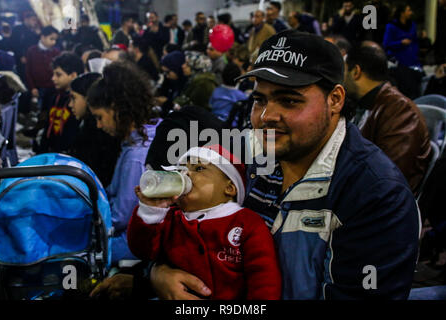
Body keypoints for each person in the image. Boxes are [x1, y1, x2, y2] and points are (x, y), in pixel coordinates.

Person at [88, 30, 420, 300]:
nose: (266, 116)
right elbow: (186, 229)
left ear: (335, 100)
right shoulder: (247, 150)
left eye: (289, 100)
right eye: (259, 99)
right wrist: (156, 274)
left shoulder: (375, 195)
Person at [126, 145, 282, 300]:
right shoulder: (170, 219)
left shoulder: (247, 224)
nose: (185, 174)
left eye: (199, 168)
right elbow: (142, 250)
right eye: (181, 169)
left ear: (229, 188)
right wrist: (150, 212)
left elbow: (264, 280)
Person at [86, 61, 162, 264]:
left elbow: (120, 217)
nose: (99, 125)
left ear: (116, 109)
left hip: (133, 242)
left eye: (100, 117)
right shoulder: (148, 134)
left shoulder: (136, 155)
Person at [344, 43, 431, 194]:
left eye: (344, 72)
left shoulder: (401, 112)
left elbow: (386, 178)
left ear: (356, 72)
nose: (341, 80)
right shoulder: (373, 104)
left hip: (385, 208)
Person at [68, 72, 120, 187]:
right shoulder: (85, 126)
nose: (70, 104)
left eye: (74, 98)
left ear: (87, 98)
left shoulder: (99, 133)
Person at [37, 52, 83, 154]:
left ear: (73, 75)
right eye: (53, 74)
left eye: (58, 74)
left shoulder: (80, 104)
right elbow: (48, 129)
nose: (53, 78)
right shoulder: (55, 98)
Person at [25, 26, 61, 112]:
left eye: (55, 40)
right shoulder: (31, 51)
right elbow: (28, 71)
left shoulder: (56, 52)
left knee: (52, 110)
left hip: (53, 88)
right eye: (51, 39)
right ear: (43, 37)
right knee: (41, 111)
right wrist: (32, 87)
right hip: (39, 88)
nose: (54, 42)